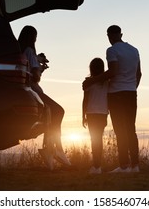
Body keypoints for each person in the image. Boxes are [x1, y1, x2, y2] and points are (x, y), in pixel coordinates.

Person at [83, 25, 142, 173]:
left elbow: (113, 71)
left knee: (120, 130)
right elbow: (139, 74)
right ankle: (135, 166)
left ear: (109, 36)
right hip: (131, 93)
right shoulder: (134, 50)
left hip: (116, 94)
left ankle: (123, 166)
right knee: (131, 129)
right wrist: (132, 87)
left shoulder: (112, 50)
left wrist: (93, 80)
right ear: (121, 34)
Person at [18, 25, 71, 170]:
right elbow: (35, 76)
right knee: (58, 111)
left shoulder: (21, 51)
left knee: (50, 118)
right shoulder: (29, 51)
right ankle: (56, 149)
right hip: (35, 91)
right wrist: (40, 69)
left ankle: (49, 150)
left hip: (28, 91)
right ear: (33, 37)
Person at [82, 58, 108, 174]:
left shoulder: (88, 83)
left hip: (91, 113)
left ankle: (96, 166)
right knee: (99, 139)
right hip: (102, 114)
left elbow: (85, 100)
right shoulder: (107, 83)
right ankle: (98, 166)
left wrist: (83, 116)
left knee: (94, 139)